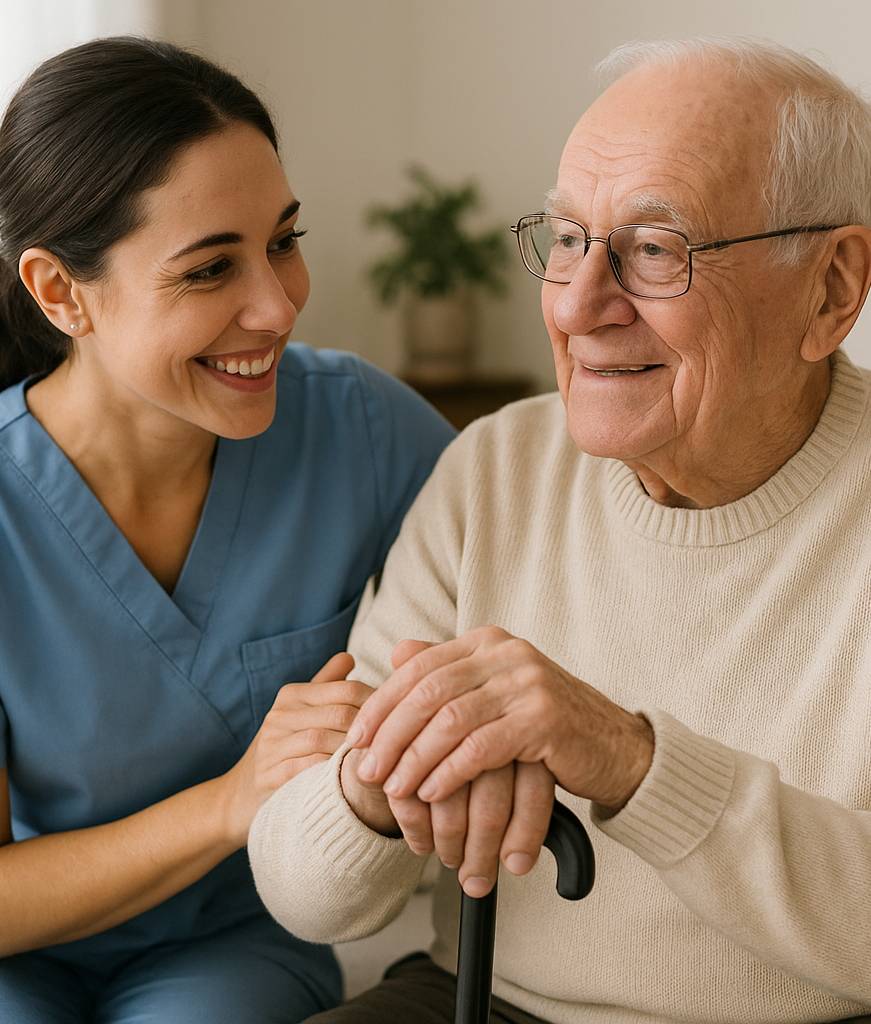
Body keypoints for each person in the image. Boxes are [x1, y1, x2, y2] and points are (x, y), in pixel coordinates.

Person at [248, 37, 871, 1024]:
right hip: (479, 1001)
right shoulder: (496, 467)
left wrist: (630, 760)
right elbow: (305, 890)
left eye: (655, 250)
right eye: (568, 238)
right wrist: (379, 779)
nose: (578, 304)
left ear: (830, 289)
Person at [0, 36, 454, 1024]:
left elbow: (539, 556)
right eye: (210, 270)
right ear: (58, 291)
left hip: (231, 947)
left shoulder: (363, 429)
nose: (278, 305)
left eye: (283, 241)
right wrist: (229, 800)